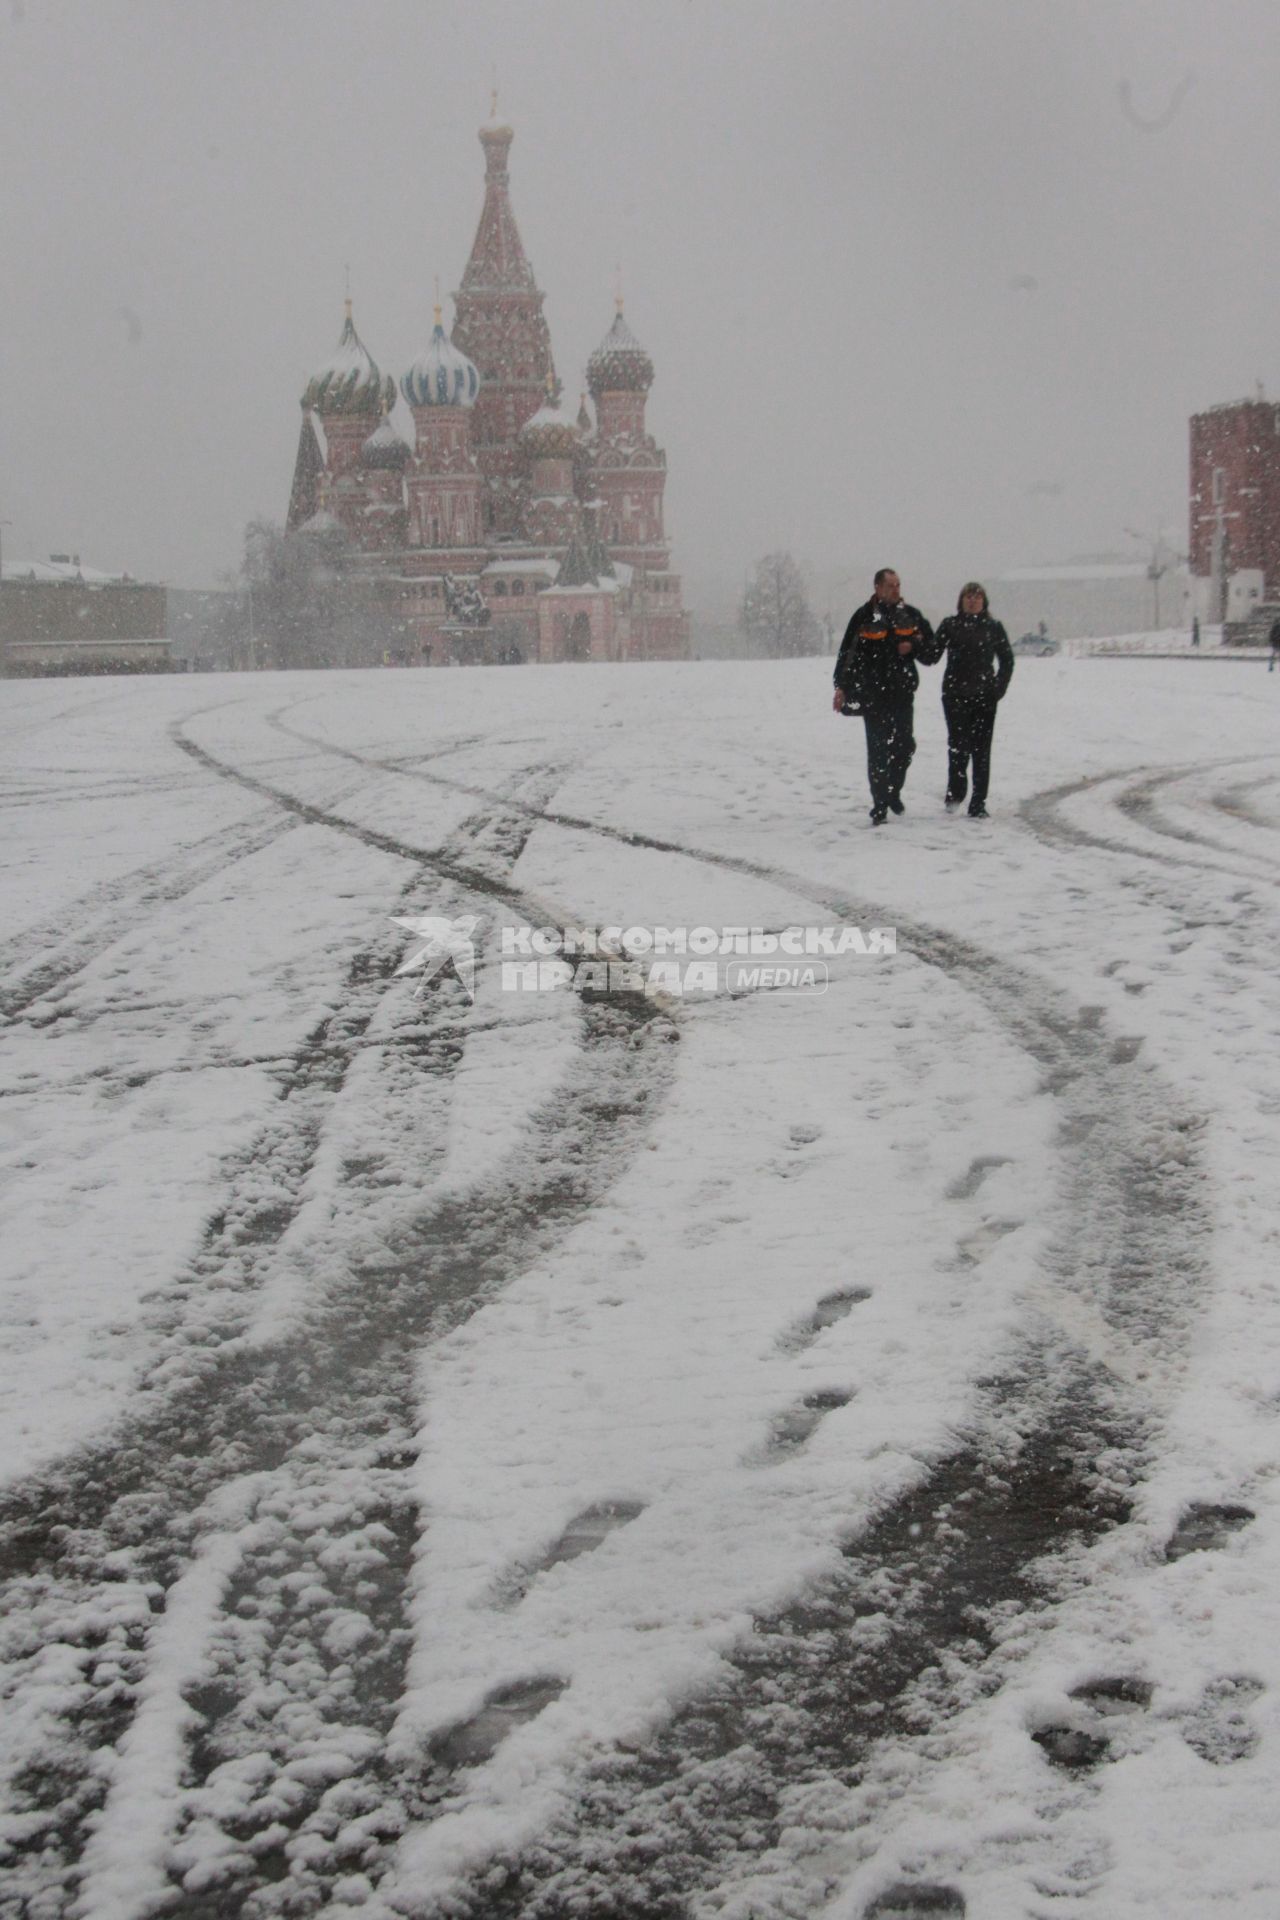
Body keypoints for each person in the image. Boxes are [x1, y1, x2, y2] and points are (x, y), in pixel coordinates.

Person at [832, 568, 935, 824]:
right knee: (877, 752)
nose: (896, 589)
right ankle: (879, 804)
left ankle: (893, 791)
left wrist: (913, 646)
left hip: (902, 694)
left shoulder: (909, 616)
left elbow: (931, 653)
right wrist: (841, 687)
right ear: (877, 588)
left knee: (904, 747)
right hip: (873, 694)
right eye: (890, 585)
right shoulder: (864, 616)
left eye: (898, 585)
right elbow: (848, 653)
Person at [932, 581, 1014, 818]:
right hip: (955, 696)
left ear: (984, 602)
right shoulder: (950, 625)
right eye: (968, 596)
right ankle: (955, 792)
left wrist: (998, 688)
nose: (972, 600)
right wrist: (914, 642)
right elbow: (932, 653)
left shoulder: (993, 627)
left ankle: (978, 802)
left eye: (977, 597)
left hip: (985, 698)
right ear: (961, 601)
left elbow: (1007, 660)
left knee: (981, 752)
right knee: (958, 747)